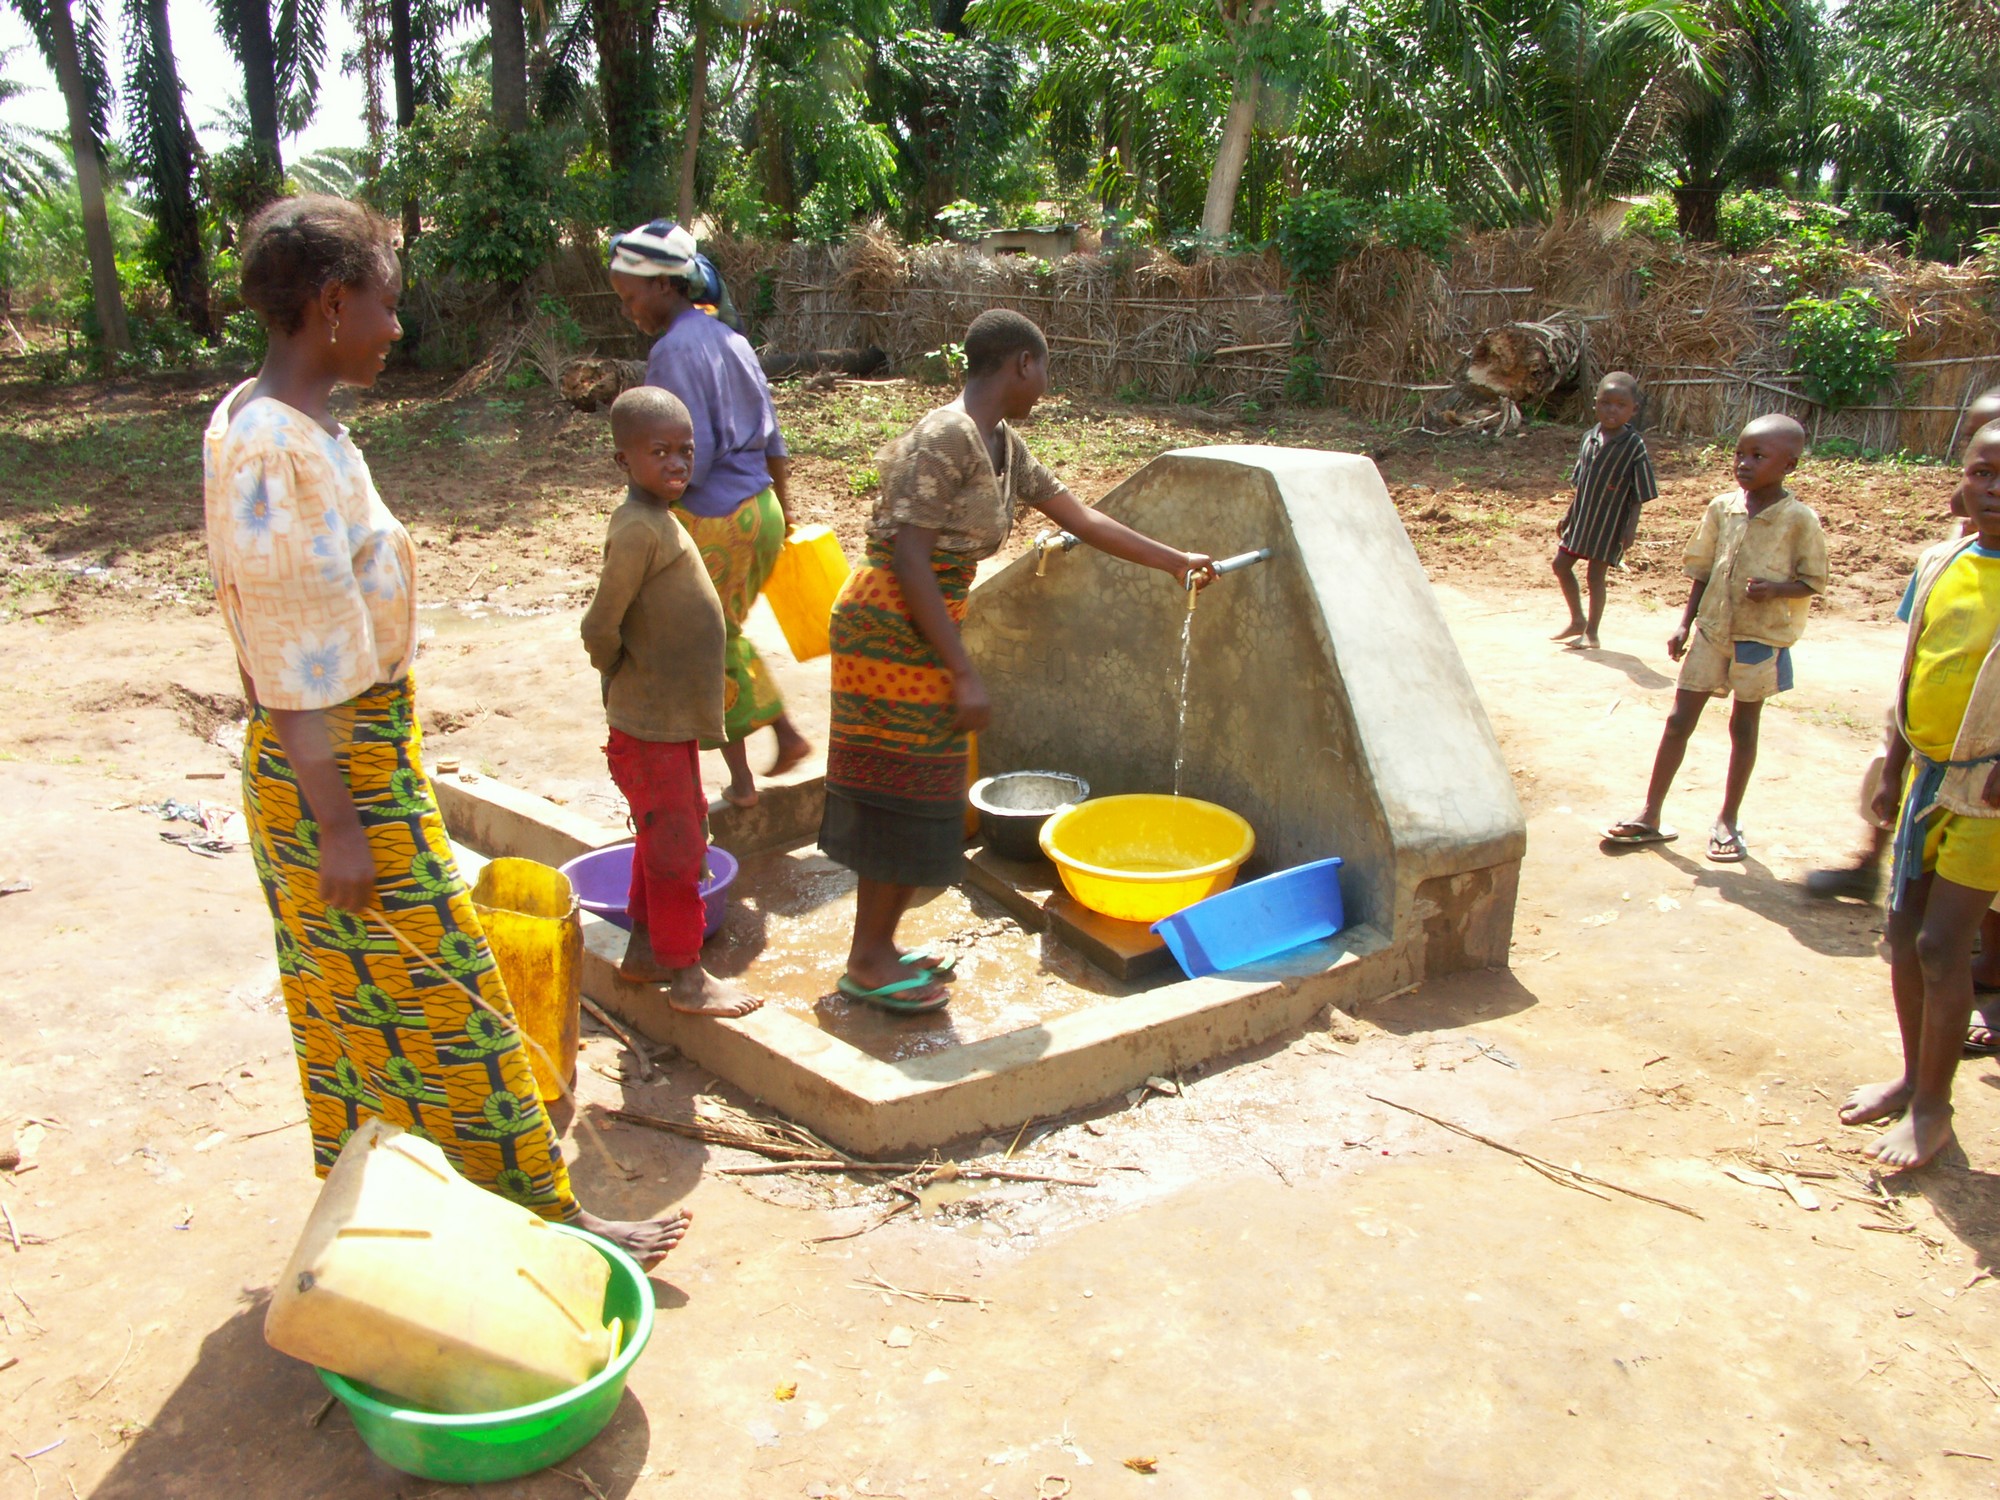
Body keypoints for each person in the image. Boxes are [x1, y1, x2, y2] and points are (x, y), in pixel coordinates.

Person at [207, 195, 687, 1263]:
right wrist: (341, 823)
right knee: (454, 1004)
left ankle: (395, 1220)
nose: (396, 328)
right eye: (385, 304)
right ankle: (546, 1224)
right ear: (331, 304)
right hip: (335, 777)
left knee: (371, 1008)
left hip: (345, 764)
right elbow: (289, 663)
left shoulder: (281, 423)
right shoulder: (273, 451)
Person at [821, 310, 1216, 1012]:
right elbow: (910, 559)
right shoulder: (945, 436)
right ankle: (868, 959)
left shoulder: (1002, 444)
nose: (1046, 384)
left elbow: (1082, 518)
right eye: (1045, 369)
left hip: (928, 619)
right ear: (1021, 365)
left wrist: (1173, 560)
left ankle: (878, 946)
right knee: (903, 790)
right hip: (888, 625)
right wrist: (961, 670)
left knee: (924, 787)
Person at [607, 218, 812, 809]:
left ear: (663, 285)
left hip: (716, 516)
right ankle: (756, 762)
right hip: (759, 511)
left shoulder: (672, 351)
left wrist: (644, 517)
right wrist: (784, 511)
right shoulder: (731, 338)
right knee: (722, 634)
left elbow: (682, 463)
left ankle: (760, 763)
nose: (627, 310)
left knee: (704, 644)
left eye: (630, 297)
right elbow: (774, 437)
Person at [1841, 420, 2000, 1169]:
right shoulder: (1942, 562)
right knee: (1903, 935)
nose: (1994, 489)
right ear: (1961, 480)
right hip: (1926, 777)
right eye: (1983, 473)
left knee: (1942, 944)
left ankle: (1935, 1107)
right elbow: (1913, 669)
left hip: (1989, 797)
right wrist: (1894, 762)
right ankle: (1912, 1078)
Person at [581, 386, 761, 1017]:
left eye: (685, 450)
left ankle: (644, 953)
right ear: (624, 461)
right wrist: (619, 673)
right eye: (659, 452)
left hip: (667, 724)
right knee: (679, 847)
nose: (677, 463)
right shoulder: (637, 528)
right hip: (648, 725)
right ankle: (688, 979)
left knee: (665, 837)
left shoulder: (658, 519)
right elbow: (600, 625)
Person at [1808, 386, 2000, 915]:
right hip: (1934, 699)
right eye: (1975, 451)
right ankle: (1875, 862)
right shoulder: (1951, 548)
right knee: (1895, 757)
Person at [1603, 414, 1826, 863]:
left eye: (1758, 456)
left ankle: (1728, 818)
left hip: (1759, 638)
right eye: (1739, 454)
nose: (1744, 463)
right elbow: (1703, 570)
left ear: (1789, 465)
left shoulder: (1799, 520)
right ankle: (1650, 813)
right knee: (1678, 721)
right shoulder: (1723, 508)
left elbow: (1812, 581)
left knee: (1744, 727)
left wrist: (1776, 590)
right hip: (1712, 630)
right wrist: (1685, 623)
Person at [1551, 372, 1659, 651]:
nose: (1612, 410)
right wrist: (1569, 513)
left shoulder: (1633, 446)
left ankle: (1593, 633)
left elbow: (1639, 494)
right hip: (1582, 519)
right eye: (1606, 403)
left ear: (1634, 409)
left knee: (1595, 577)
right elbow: (1582, 482)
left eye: (1621, 405)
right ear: (1595, 403)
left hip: (1609, 524)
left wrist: (1630, 528)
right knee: (1560, 565)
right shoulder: (1589, 438)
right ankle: (1577, 619)